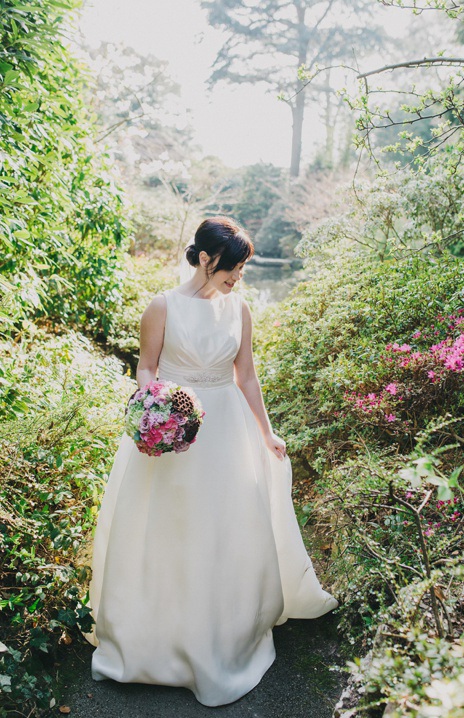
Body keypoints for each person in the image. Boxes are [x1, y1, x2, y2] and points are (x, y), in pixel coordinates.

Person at [85, 217, 337, 707]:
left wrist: (266, 431)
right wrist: (153, 404)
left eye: (242, 268)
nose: (238, 276)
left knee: (223, 529)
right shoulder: (163, 306)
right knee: (168, 527)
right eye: (233, 267)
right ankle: (157, 637)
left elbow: (246, 376)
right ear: (205, 258)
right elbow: (147, 365)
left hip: (226, 429)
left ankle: (221, 635)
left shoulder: (238, 308)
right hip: (173, 428)